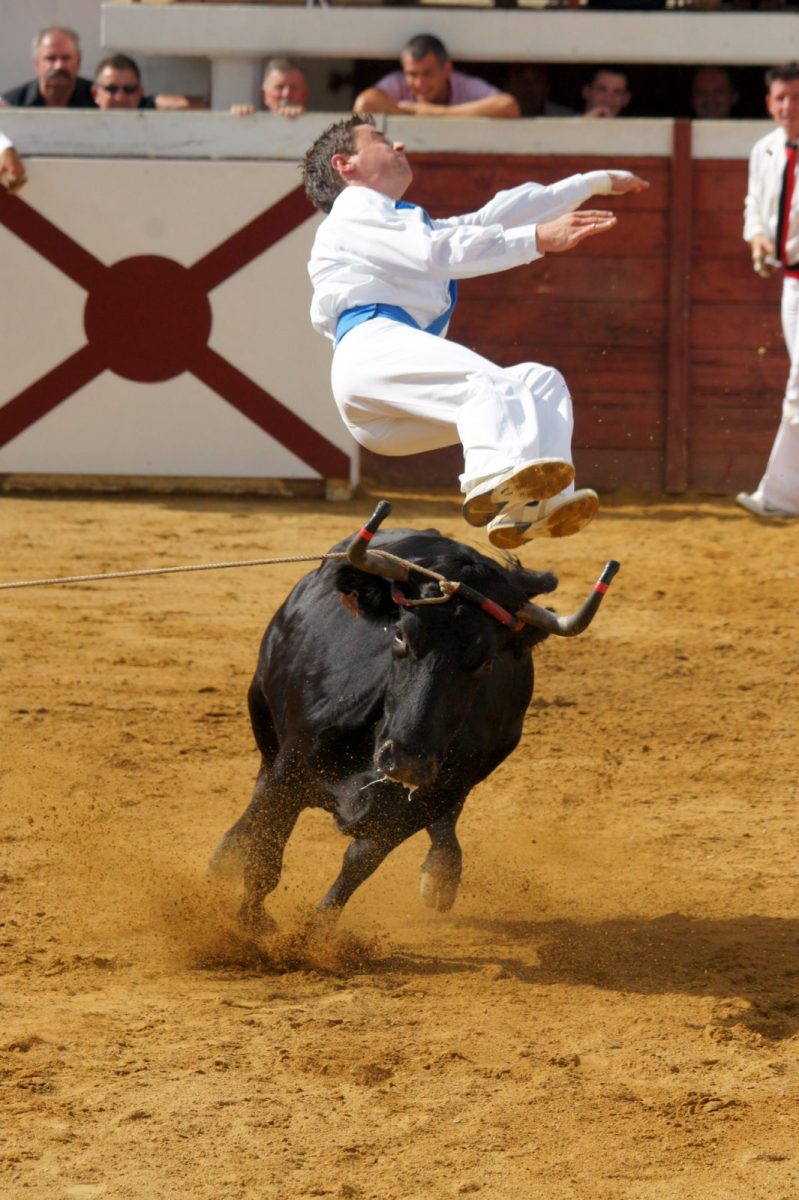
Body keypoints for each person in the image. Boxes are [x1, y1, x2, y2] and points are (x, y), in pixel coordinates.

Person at [302, 115, 649, 547]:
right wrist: (537, 238)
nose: (399, 145)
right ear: (344, 164)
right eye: (380, 139)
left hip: (384, 397)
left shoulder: (401, 225)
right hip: (372, 347)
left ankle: (536, 507)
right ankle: (490, 480)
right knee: (493, 386)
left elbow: (492, 219)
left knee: (539, 383)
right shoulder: (356, 205)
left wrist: (588, 184)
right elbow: (436, 253)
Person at [738, 61, 799, 519]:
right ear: (768, 103)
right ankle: (780, 495)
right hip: (792, 285)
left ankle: (778, 495)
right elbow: (754, 206)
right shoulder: (765, 149)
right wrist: (757, 238)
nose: (788, 107)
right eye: (781, 98)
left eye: (796, 98)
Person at [352, 34, 520, 120]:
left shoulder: (463, 84)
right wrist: (412, 116)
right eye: (412, 74)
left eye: (428, 74)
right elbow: (364, 104)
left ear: (446, 69)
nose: (419, 83)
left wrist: (432, 112)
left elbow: (508, 106)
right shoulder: (398, 82)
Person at [1, 27, 97, 109]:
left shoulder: (97, 100)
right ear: (37, 64)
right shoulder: (12, 104)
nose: (59, 66)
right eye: (51, 58)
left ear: (78, 63)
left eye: (66, 58)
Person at [91, 54, 203, 112]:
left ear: (141, 93)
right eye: (112, 89)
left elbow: (198, 106)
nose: (120, 97)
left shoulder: (147, 108)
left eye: (129, 89)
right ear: (95, 93)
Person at [230, 58, 309, 119]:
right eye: (280, 87)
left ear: (304, 95)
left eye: (294, 88)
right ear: (264, 95)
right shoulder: (253, 121)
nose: (286, 94)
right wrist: (240, 116)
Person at [506, 64, 576, 119]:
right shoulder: (500, 118)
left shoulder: (567, 118)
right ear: (507, 85)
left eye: (537, 79)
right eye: (520, 78)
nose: (529, 86)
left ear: (547, 88)